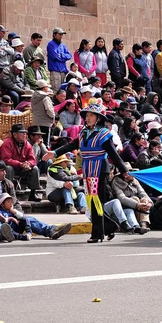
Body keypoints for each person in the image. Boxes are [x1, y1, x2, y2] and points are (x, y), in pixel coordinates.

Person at [43, 99, 129, 243]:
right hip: (88, 170)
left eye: (91, 115)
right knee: (91, 202)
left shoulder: (104, 134)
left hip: (101, 170)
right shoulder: (83, 133)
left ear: (98, 118)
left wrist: (124, 170)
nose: (87, 118)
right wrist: (55, 153)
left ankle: (98, 234)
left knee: (97, 202)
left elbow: (114, 155)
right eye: (87, 115)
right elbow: (71, 146)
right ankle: (108, 227)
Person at [0, 193, 71, 241]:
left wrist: (14, 211)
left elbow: (21, 216)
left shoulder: (11, 209)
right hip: (4, 226)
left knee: (28, 219)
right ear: (2, 204)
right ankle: (3, 234)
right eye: (8, 202)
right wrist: (8, 219)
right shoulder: (0, 210)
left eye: (11, 202)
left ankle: (50, 230)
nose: (11, 203)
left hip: (15, 227)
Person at [0, 124, 42, 202]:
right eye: (22, 132)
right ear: (15, 134)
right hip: (12, 167)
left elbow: (33, 159)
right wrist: (20, 164)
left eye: (25, 132)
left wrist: (29, 164)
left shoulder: (27, 144)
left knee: (35, 169)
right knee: (8, 168)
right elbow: (6, 159)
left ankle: (33, 193)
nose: (25, 134)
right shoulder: (7, 143)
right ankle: (8, 193)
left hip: (23, 168)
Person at [111, 164, 152, 233]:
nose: (134, 174)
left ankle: (143, 224)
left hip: (138, 204)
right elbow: (122, 198)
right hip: (123, 206)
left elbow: (142, 193)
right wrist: (137, 204)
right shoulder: (116, 182)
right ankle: (136, 225)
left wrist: (149, 202)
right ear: (125, 175)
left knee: (144, 200)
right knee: (135, 199)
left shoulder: (135, 181)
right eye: (131, 172)